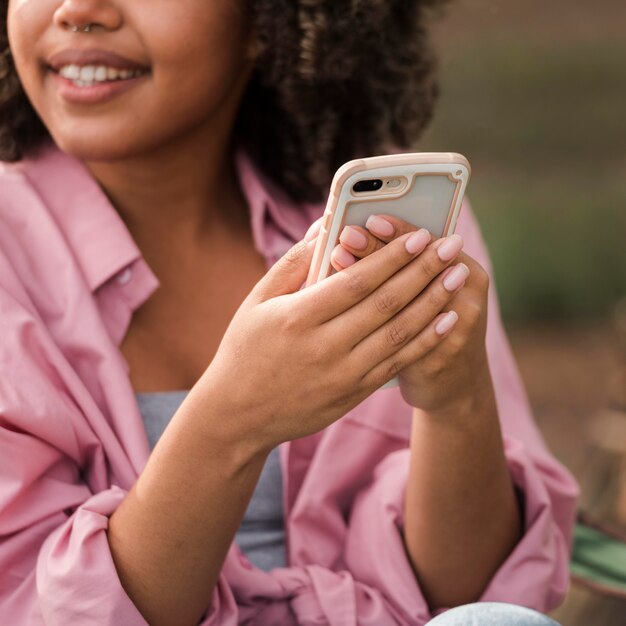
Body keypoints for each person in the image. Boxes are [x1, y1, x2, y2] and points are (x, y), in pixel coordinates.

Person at [0, 1, 579, 625]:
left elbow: (467, 596)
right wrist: (232, 422)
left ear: (267, 17)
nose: (78, 9)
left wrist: (457, 403)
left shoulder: (388, 227)